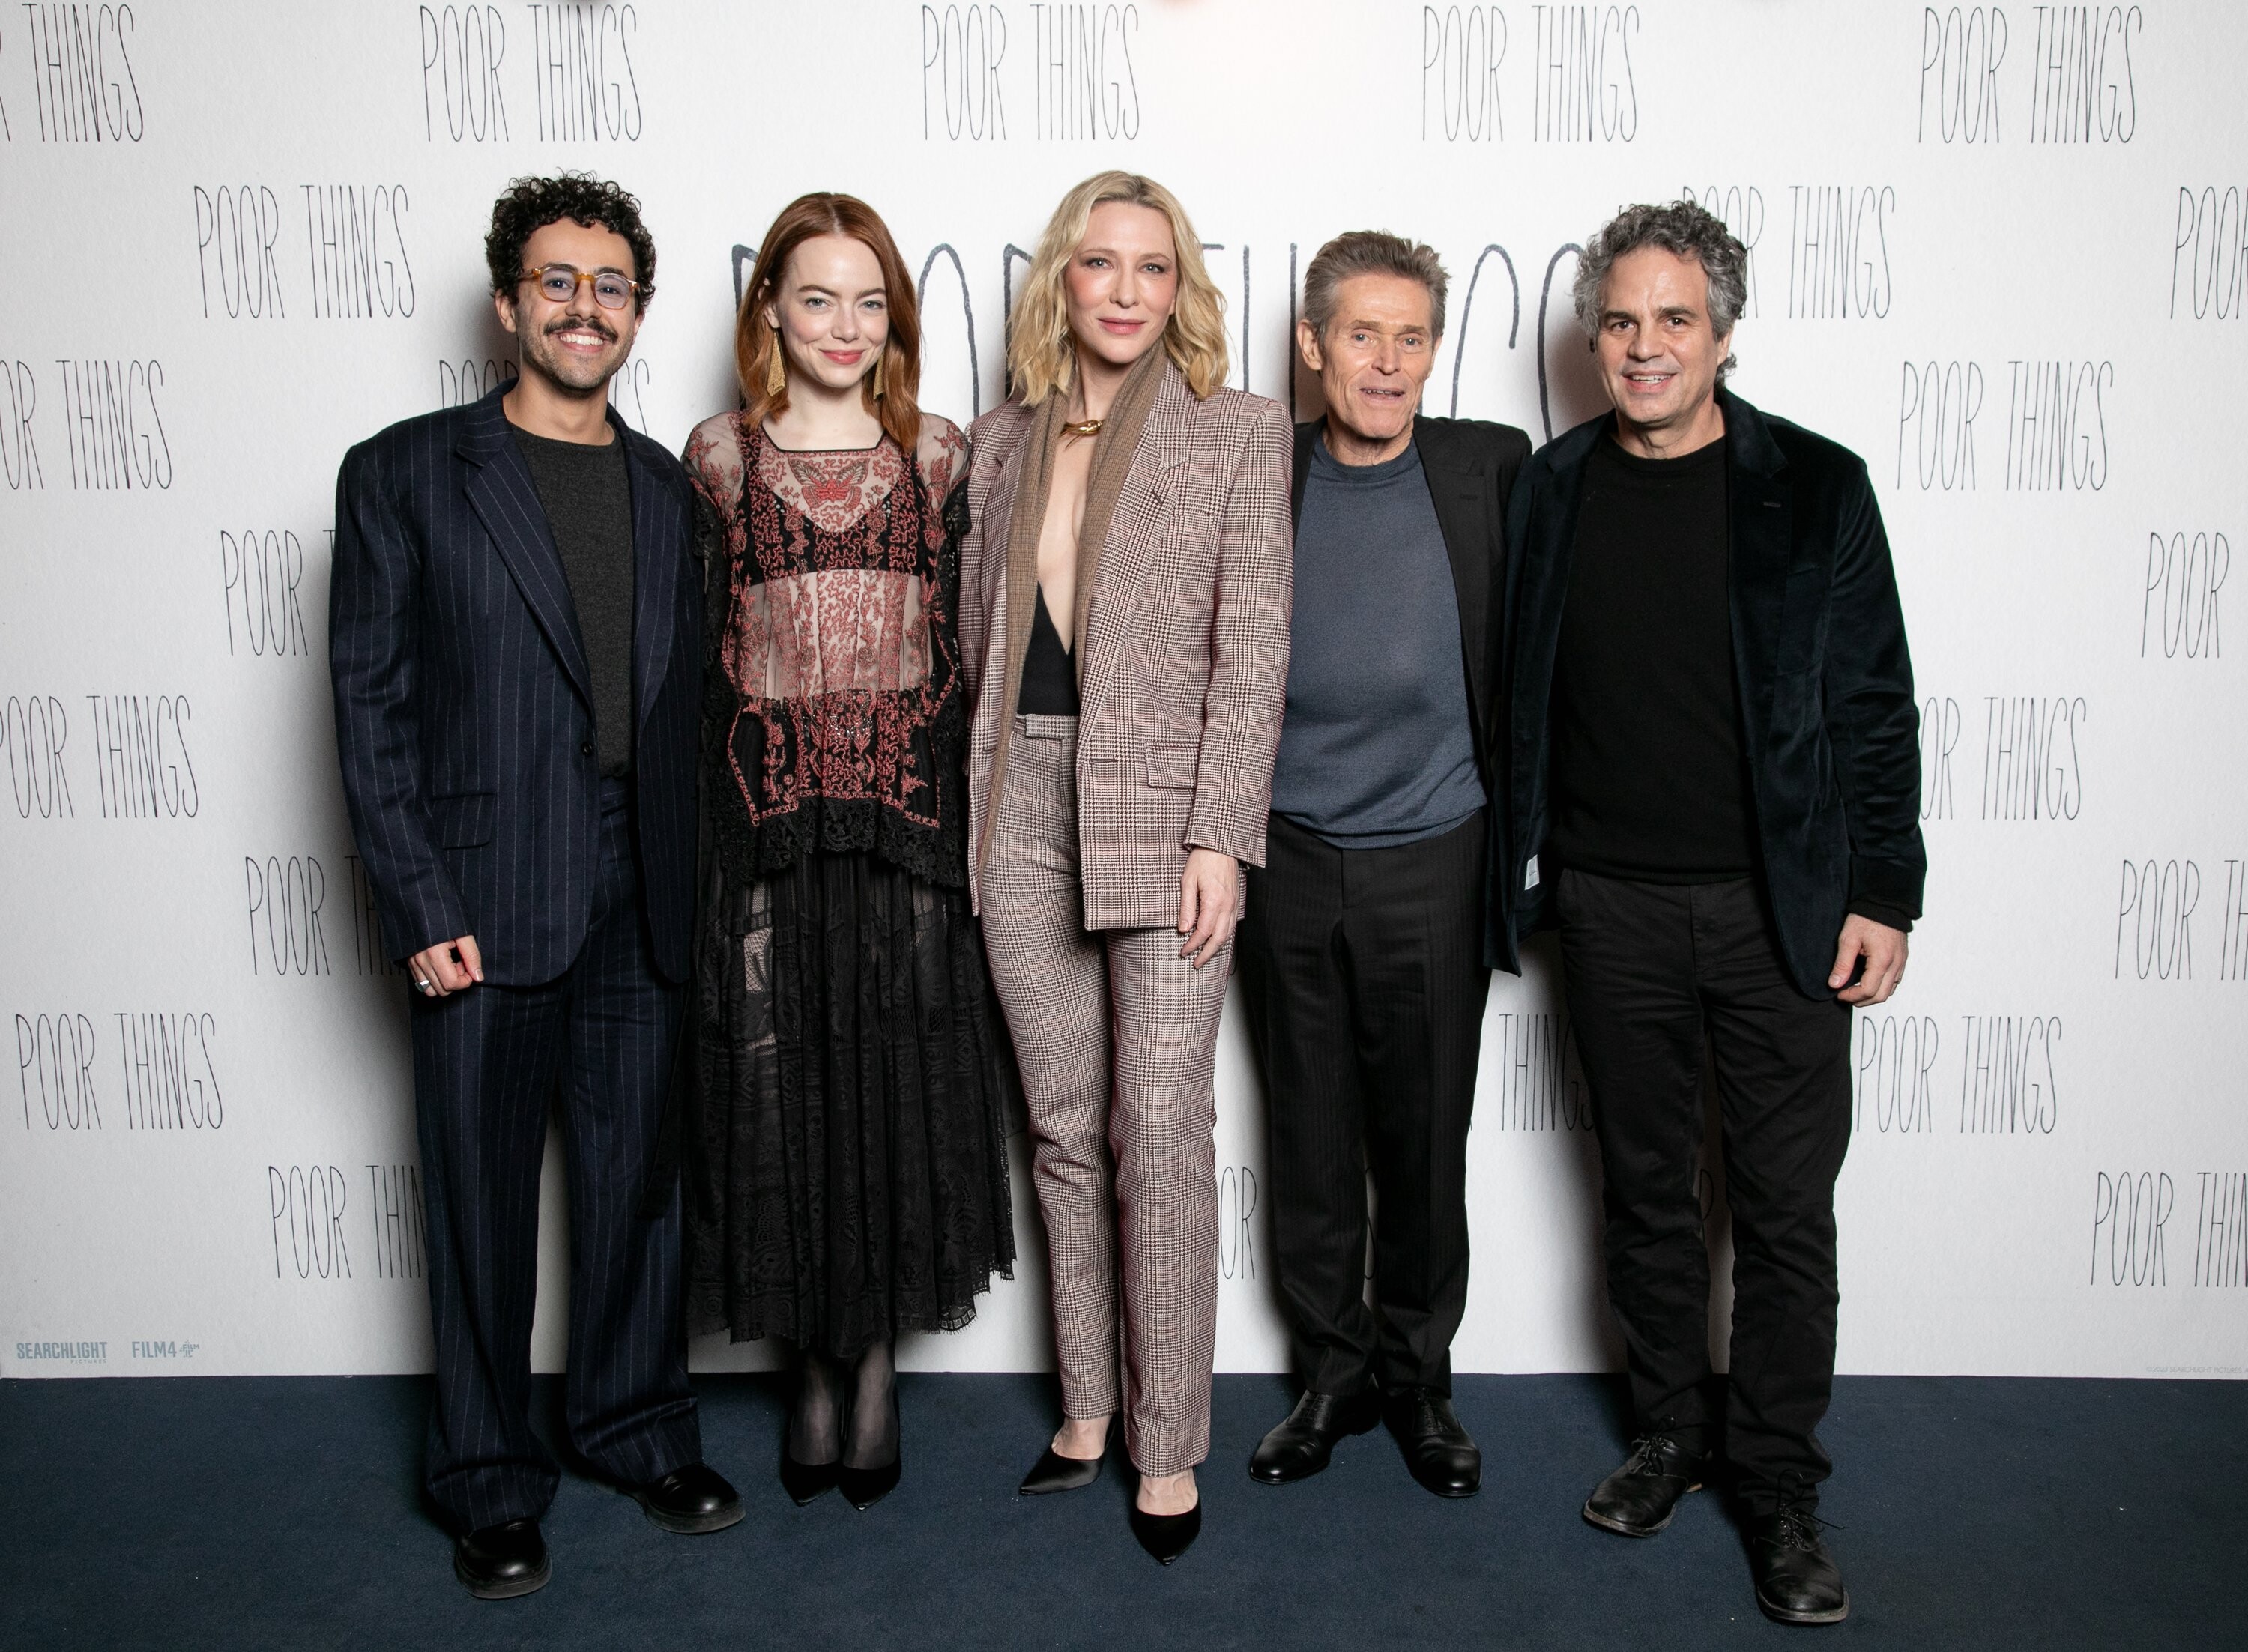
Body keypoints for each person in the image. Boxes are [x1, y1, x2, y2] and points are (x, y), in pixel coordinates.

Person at [1497, 199, 1924, 1626]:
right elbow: (1518, 693)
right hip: (1610, 905)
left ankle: (1780, 1480)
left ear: (1724, 334)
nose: (1644, 345)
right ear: (1593, 339)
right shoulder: (1553, 487)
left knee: (1787, 1211)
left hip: (1780, 912)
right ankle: (1672, 1432)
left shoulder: (1817, 485)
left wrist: (1885, 889)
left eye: (1674, 318)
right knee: (1646, 1194)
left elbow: (1873, 703)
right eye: (1620, 320)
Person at [328, 172, 740, 1601]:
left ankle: (634, 1426)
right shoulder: (403, 474)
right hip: (482, 896)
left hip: (646, 887)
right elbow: (370, 705)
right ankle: (490, 1479)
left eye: (611, 285)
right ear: (509, 304)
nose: (585, 306)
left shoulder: (671, 489)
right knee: (481, 1206)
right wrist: (417, 899)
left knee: (637, 1192)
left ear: (637, 312)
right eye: (557, 281)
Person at [960, 170, 1292, 1564]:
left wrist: (1222, 832)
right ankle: (1088, 1407)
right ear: (1064, 279)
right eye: (1101, 263)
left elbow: (1254, 649)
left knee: (1160, 1133)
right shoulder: (1000, 441)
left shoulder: (1237, 430)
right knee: (1061, 1127)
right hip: (1019, 803)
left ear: (1181, 289)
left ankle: (1168, 1445)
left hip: (1164, 812)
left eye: (1154, 268)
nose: (1126, 290)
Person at [677, 193, 1015, 1513]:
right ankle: (810, 1369)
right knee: (780, 1099)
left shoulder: (937, 453)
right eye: (817, 297)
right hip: (768, 836)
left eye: (870, 302)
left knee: (891, 1093)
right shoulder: (718, 458)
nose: (844, 325)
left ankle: (869, 1369)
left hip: (905, 838)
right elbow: (698, 659)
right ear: (770, 308)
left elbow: (968, 646)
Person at [1236, 232, 1528, 1499]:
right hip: (1287, 853)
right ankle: (1331, 1373)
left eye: (1413, 337)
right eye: (1363, 334)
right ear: (1313, 345)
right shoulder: (1260, 470)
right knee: (1308, 1134)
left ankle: (1419, 1379)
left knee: (1422, 1140)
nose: (1389, 361)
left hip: (1435, 852)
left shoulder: (1488, 469)